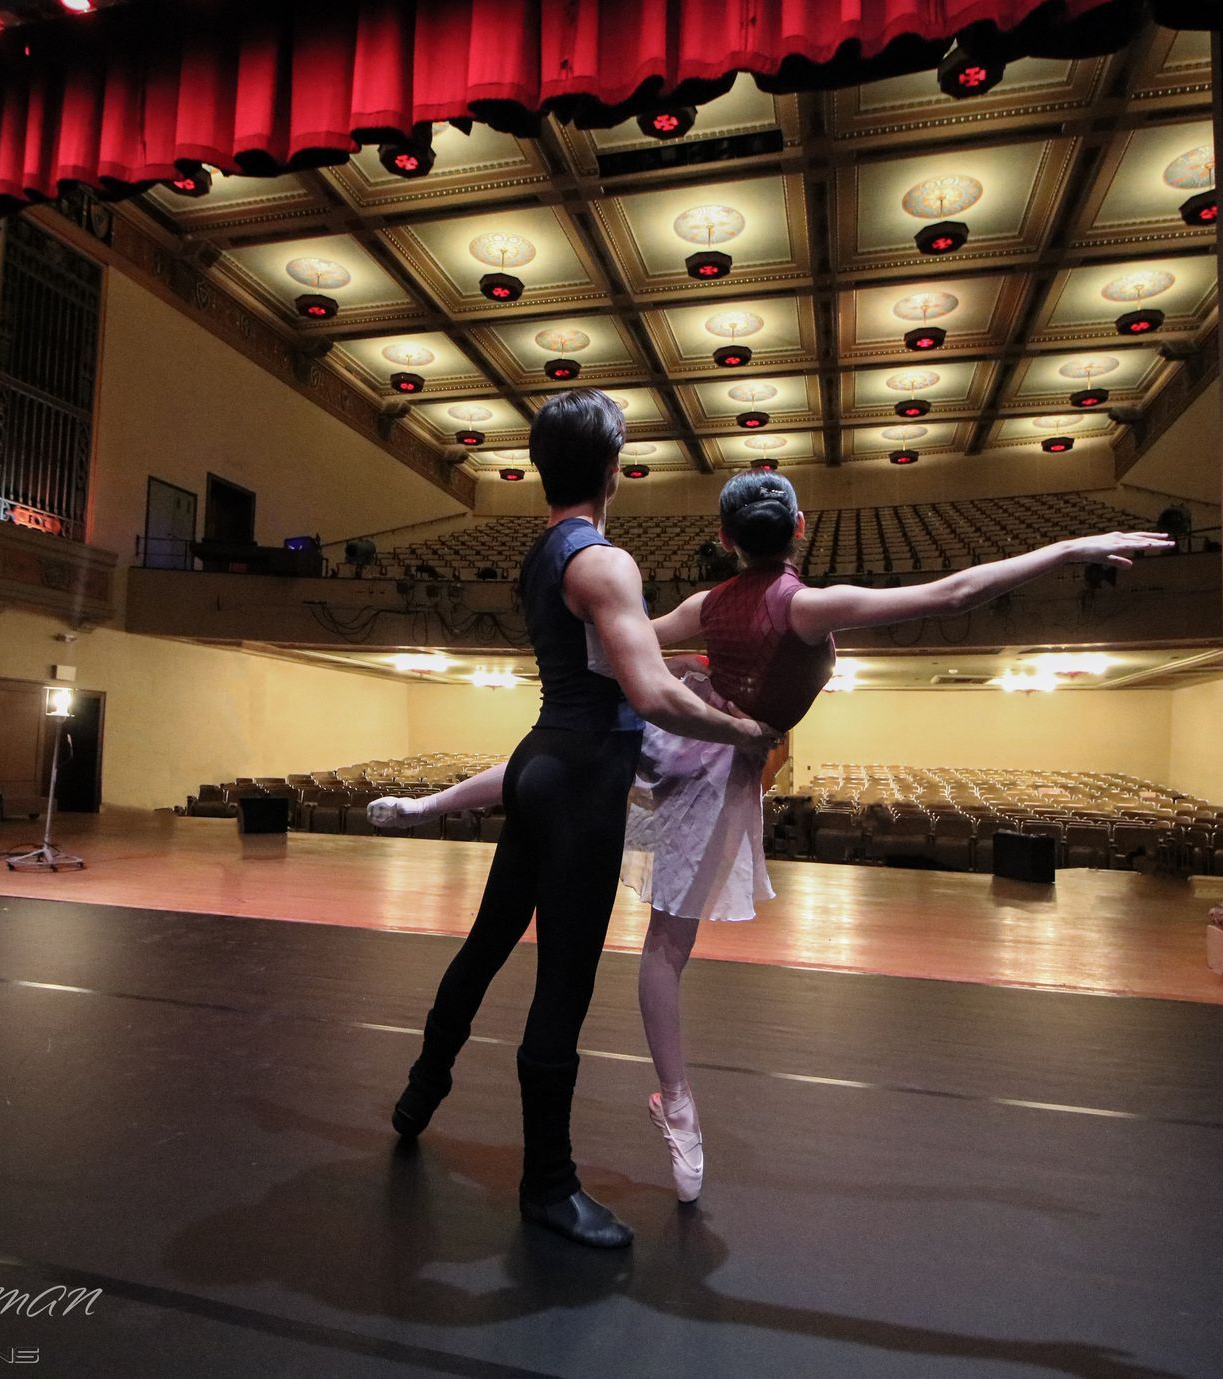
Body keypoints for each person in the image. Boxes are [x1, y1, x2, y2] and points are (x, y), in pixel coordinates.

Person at [375, 472, 1171, 1204]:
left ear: (726, 540)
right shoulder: (804, 604)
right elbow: (956, 592)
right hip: (725, 753)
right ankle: (677, 1108)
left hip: (686, 715)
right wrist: (1074, 546)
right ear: (800, 527)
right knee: (663, 949)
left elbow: (616, 637)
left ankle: (431, 804)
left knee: (560, 760)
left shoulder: (710, 604)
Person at [388, 389, 778, 1250]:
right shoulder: (604, 562)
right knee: (560, 990)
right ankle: (548, 1185)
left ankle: (421, 1091)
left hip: (539, 760)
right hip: (581, 786)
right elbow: (647, 693)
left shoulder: (544, 553)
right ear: (612, 471)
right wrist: (742, 727)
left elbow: (620, 662)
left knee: (485, 946)